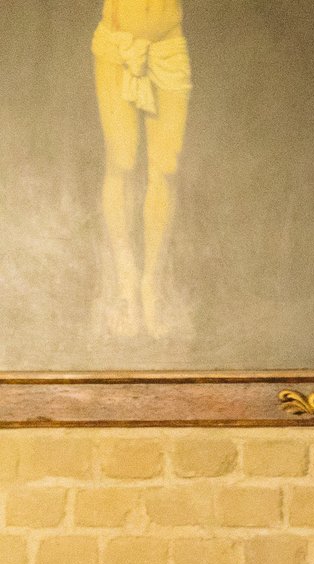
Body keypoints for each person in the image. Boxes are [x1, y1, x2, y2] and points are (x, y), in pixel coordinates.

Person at [90, 0, 191, 337]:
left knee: (166, 166)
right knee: (122, 160)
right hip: (117, 46)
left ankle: (152, 283)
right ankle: (126, 282)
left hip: (169, 47)